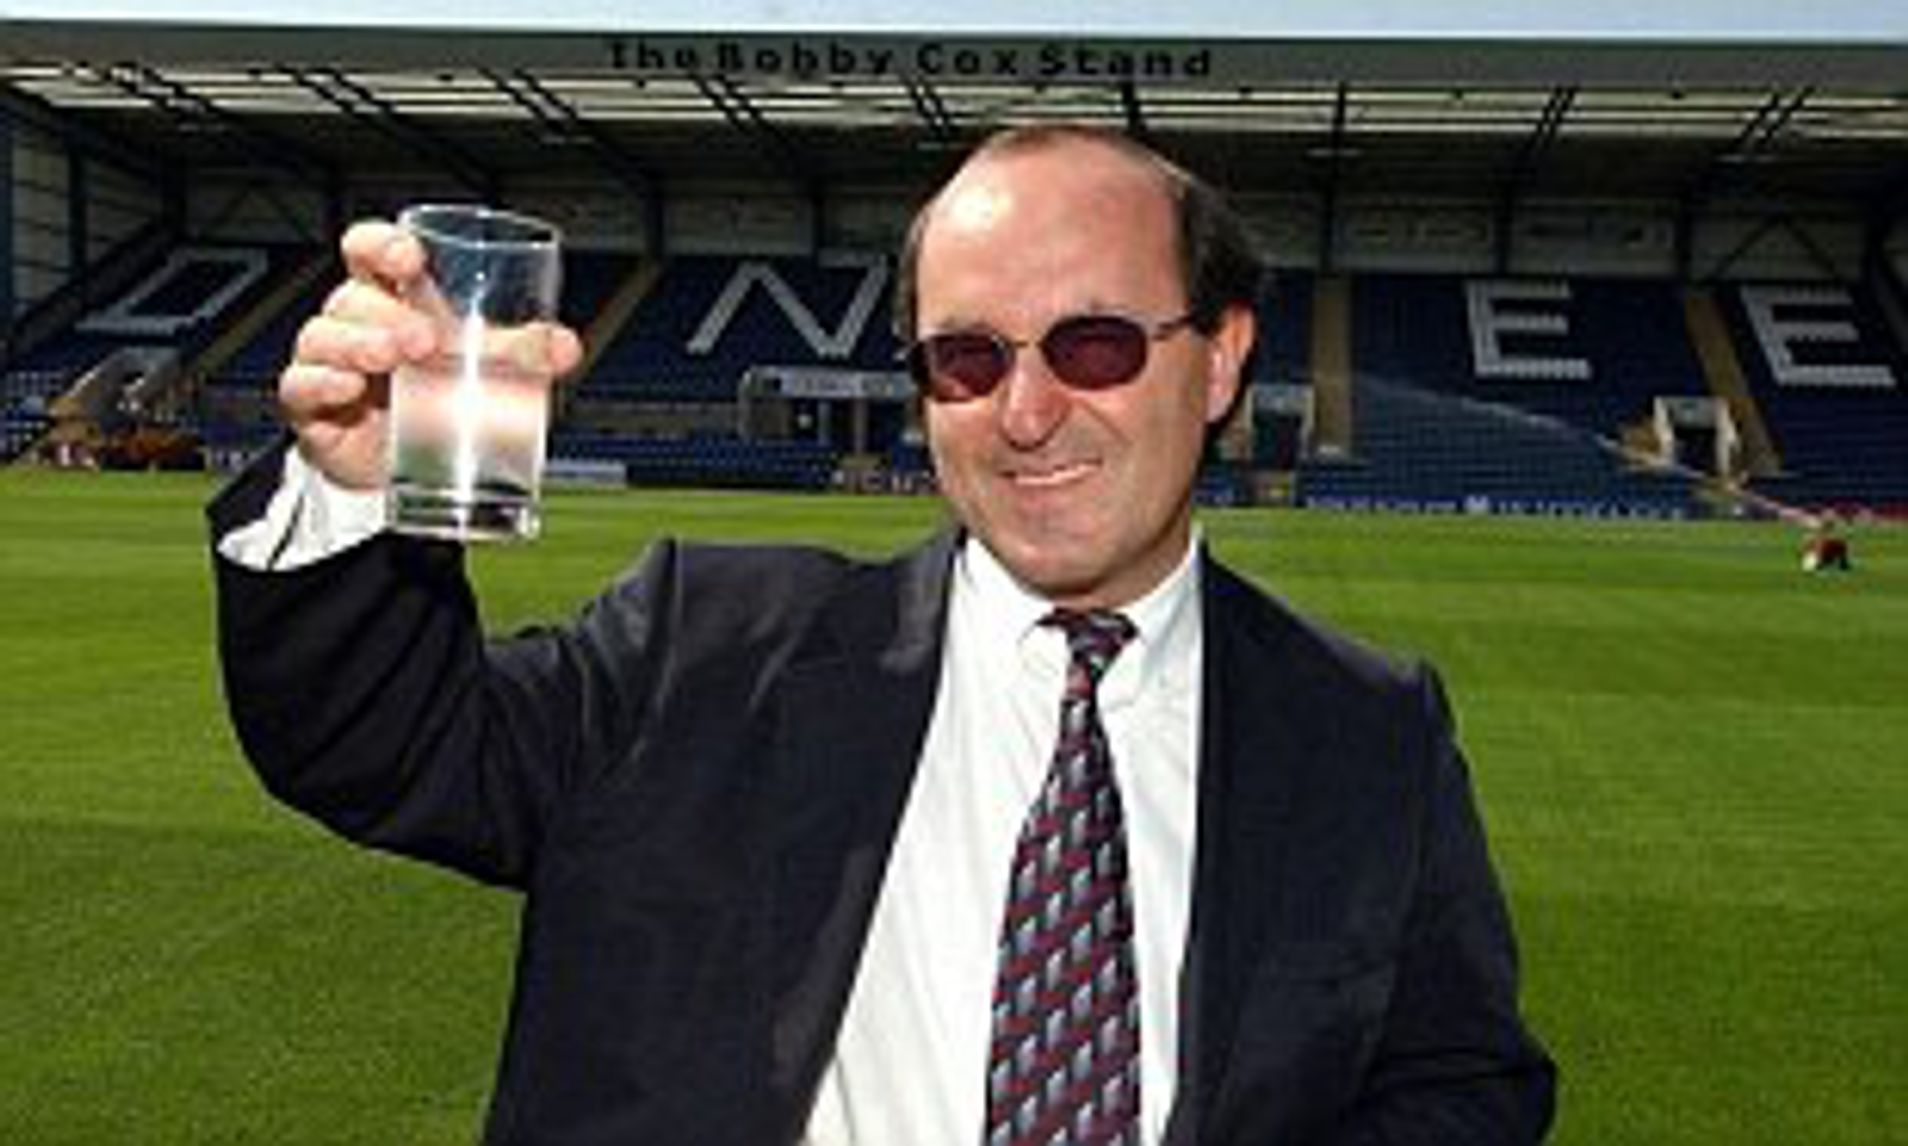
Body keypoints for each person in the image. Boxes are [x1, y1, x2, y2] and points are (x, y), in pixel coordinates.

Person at [210, 125, 1554, 1144]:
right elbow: (386, 748)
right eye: (967, 358)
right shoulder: (701, 648)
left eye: (1092, 345)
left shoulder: (1368, 731)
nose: (1024, 412)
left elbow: (1460, 1079)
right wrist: (352, 485)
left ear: (1219, 357)